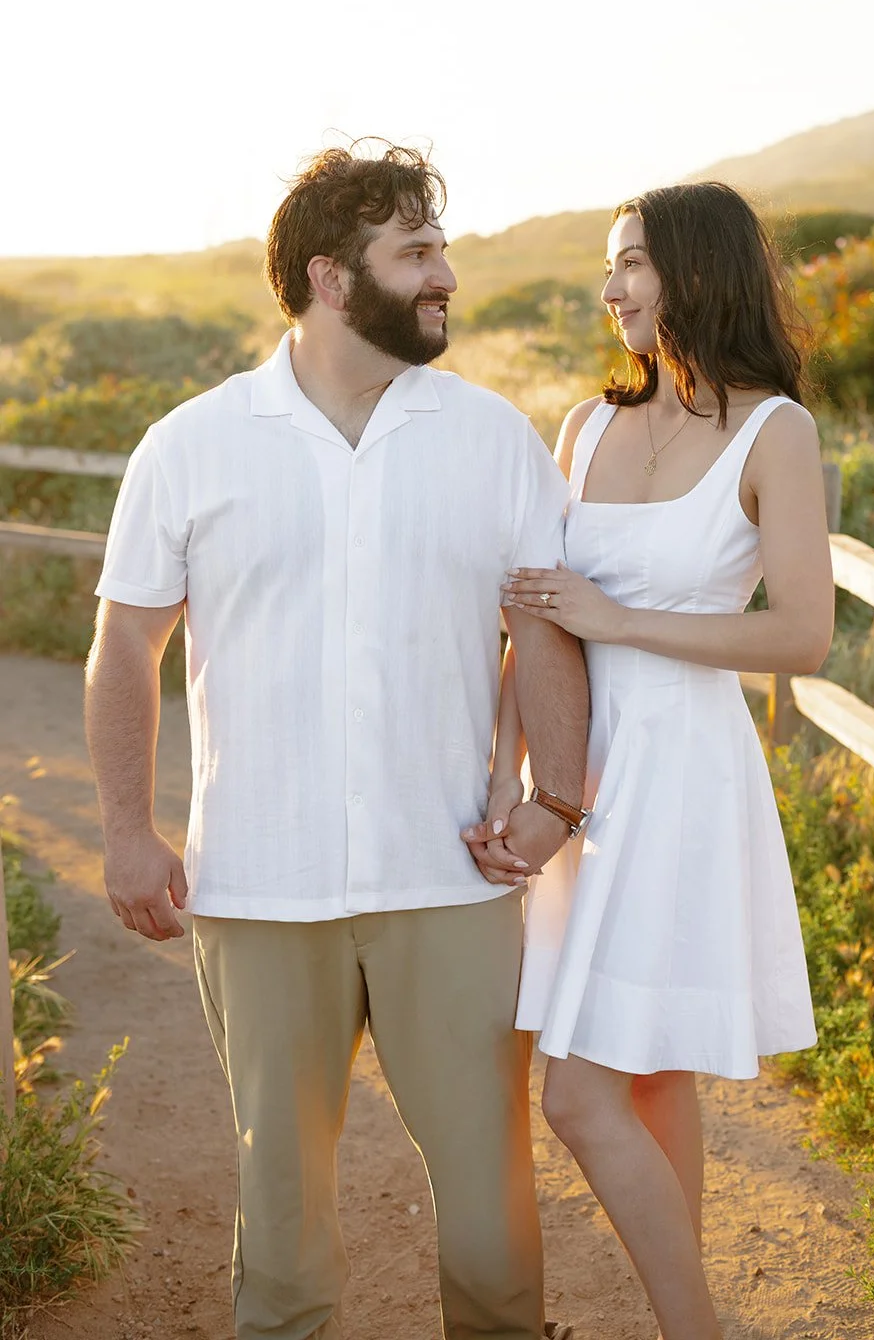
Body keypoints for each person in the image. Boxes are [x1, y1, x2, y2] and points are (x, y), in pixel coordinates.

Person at [84, 141, 589, 1340]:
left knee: (490, 1225)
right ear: (327, 277)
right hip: (258, 888)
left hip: (450, 883)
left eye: (441, 250)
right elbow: (123, 648)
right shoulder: (191, 444)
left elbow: (545, 632)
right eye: (416, 252)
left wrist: (552, 795)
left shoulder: (491, 438)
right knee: (284, 1232)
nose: (445, 275)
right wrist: (125, 831)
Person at [466, 181, 834, 1340]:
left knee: (577, 1091)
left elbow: (800, 635)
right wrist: (506, 777)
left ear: (694, 268)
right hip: (583, 766)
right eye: (606, 265)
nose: (608, 285)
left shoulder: (774, 431)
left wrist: (620, 620)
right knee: (647, 1069)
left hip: (680, 770)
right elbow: (537, 615)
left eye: (628, 260)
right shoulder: (580, 426)